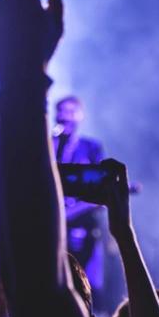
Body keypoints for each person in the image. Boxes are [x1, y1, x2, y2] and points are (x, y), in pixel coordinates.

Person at [53, 96, 110, 296]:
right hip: (53, 227)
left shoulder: (90, 147)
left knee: (85, 282)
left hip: (83, 225)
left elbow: (101, 191)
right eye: (61, 112)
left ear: (80, 115)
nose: (65, 117)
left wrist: (73, 211)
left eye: (71, 112)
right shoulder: (48, 145)